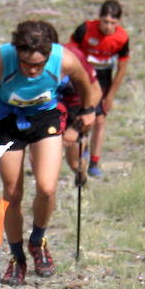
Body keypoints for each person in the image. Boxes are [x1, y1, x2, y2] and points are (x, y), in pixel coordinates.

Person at [0, 20, 99, 285]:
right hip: (7, 120)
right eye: (27, 64)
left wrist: (88, 110)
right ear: (17, 53)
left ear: (48, 54)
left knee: (47, 188)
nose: (33, 71)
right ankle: (17, 258)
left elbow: (85, 82)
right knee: (12, 193)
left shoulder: (64, 59)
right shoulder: (1, 57)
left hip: (46, 118)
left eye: (39, 65)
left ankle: (38, 241)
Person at [70, 0, 130, 179]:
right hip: (83, 76)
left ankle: (94, 162)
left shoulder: (122, 38)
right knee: (83, 117)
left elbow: (122, 69)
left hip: (103, 78)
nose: (108, 26)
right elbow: (70, 51)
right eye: (105, 21)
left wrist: (110, 96)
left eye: (113, 23)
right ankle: (82, 150)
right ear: (99, 19)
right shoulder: (85, 29)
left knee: (100, 120)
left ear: (119, 22)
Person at [60, 39, 100, 188]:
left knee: (74, 162)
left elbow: (96, 92)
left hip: (75, 110)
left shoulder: (74, 57)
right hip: (49, 112)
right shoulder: (28, 61)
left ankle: (81, 174)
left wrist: (79, 124)